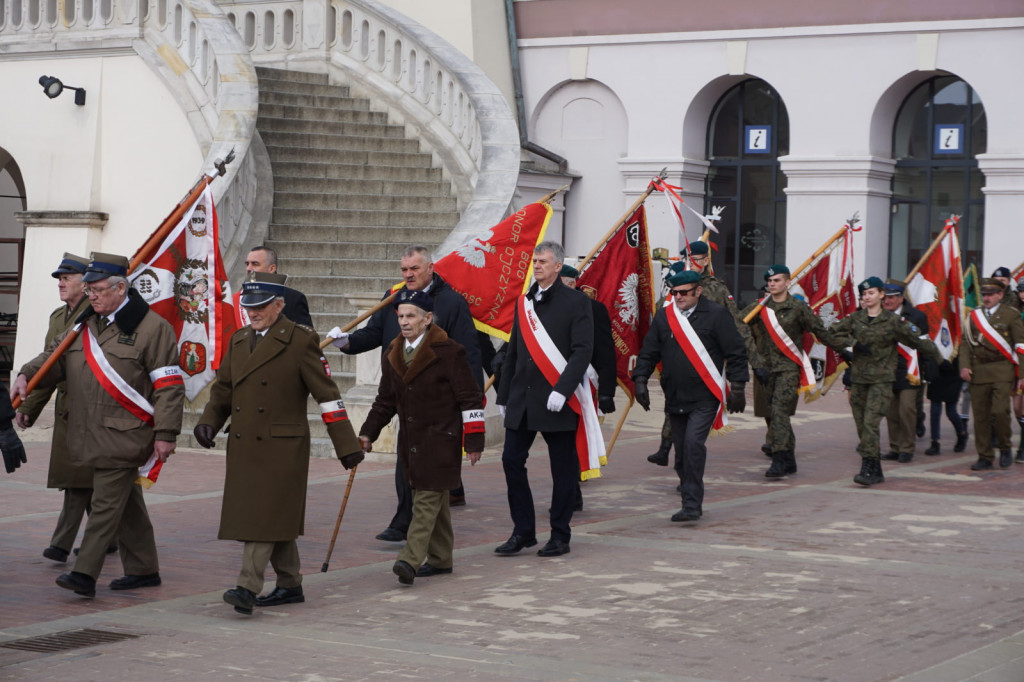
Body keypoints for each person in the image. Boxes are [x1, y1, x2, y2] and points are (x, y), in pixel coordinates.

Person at [12, 253, 185, 598]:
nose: (92, 296)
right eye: (89, 289)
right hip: (88, 431)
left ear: (122, 289)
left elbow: (169, 387)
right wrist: (25, 374)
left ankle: (84, 573)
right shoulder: (85, 323)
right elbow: (55, 359)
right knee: (128, 504)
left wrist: (166, 434)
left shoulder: (153, 329)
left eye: (99, 289)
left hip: (125, 432)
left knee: (105, 504)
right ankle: (144, 569)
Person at [193, 272, 364, 615]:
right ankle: (289, 584)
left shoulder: (301, 340)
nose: (252, 313)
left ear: (279, 305)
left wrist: (346, 445)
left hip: (282, 448)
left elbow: (327, 396)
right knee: (273, 516)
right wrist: (209, 421)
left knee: (262, 516)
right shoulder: (239, 339)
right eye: (248, 306)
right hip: (245, 445)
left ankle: (246, 586)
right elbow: (224, 389)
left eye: (260, 307)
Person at [327, 244, 482, 541]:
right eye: (404, 269)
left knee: (429, 467)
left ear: (430, 268)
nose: (408, 274)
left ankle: (418, 534)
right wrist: (346, 342)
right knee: (407, 459)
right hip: (402, 392)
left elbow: (469, 355)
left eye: (414, 269)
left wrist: (471, 404)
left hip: (439, 401)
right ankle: (409, 522)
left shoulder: (451, 303)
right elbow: (374, 334)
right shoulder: (393, 298)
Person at [358, 289, 485, 585]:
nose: (404, 321)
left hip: (441, 440)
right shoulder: (393, 351)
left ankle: (409, 559)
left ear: (427, 318)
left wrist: (474, 441)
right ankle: (441, 559)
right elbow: (384, 401)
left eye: (410, 315)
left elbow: (470, 399)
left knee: (426, 501)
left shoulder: (450, 351)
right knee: (433, 499)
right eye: (400, 315)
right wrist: (368, 433)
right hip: (411, 442)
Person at [495, 241, 594, 557]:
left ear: (557, 266)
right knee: (511, 460)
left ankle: (560, 534)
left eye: (542, 261)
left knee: (562, 470)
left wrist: (562, 390)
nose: (536, 266)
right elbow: (513, 351)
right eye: (534, 261)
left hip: (556, 399)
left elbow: (582, 352)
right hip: (523, 398)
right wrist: (503, 393)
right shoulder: (524, 302)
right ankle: (523, 530)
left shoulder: (576, 303)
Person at [16, 253, 114, 562]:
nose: (61, 282)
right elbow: (50, 364)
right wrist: (30, 405)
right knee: (85, 481)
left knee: (79, 480)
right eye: (59, 278)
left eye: (67, 278)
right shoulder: (58, 317)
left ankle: (63, 542)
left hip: (90, 407)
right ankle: (112, 537)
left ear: (84, 284)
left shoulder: (95, 315)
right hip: (66, 408)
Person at [632, 270, 748, 521]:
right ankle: (688, 497)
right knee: (682, 453)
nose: (678, 297)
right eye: (674, 293)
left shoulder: (716, 315)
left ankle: (692, 504)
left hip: (705, 397)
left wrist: (738, 387)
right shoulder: (664, 317)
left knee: (694, 445)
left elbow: (736, 352)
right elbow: (649, 351)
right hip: (675, 396)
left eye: (684, 292)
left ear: (698, 291)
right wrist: (640, 379)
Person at [647, 242, 759, 468]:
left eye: (696, 258)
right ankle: (667, 449)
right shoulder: (676, 285)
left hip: (704, 361)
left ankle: (684, 466)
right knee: (675, 407)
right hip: (676, 359)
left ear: (706, 260)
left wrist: (755, 362)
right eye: (688, 258)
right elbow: (660, 316)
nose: (691, 263)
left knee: (694, 427)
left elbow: (738, 325)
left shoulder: (716, 289)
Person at [825, 277, 942, 486]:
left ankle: (867, 467)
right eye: (864, 294)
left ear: (881, 295)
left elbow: (918, 341)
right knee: (862, 425)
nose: (867, 297)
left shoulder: (894, 321)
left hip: (882, 380)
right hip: (860, 379)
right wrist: (851, 345)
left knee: (871, 423)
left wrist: (941, 361)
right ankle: (876, 468)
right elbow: (830, 334)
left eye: (871, 293)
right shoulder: (855, 319)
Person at [742, 265, 846, 478]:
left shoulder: (798, 308)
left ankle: (779, 459)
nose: (772, 284)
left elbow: (820, 331)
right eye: (770, 281)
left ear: (788, 282)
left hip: (789, 368)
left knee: (780, 411)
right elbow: (738, 324)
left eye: (777, 280)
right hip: (766, 370)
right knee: (774, 413)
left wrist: (844, 350)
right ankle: (789, 459)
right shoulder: (759, 307)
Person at [560, 264, 617, 511]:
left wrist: (607, 390)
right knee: (559, 441)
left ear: (573, 283)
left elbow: (605, 351)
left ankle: (573, 490)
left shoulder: (594, 309)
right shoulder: (538, 304)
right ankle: (567, 487)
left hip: (582, 384)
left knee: (575, 436)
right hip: (549, 383)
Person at [959, 278, 1024, 470]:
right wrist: (964, 365)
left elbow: (1020, 345)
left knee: (1000, 412)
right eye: (984, 295)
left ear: (1000, 295)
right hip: (979, 370)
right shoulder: (974, 316)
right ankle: (985, 455)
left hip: (1002, 369)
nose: (986, 298)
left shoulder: (1011, 315)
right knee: (980, 416)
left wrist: (1022, 374)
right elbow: (965, 343)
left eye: (990, 295)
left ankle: (1004, 447)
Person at [880, 280, 932, 464]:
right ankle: (895, 447)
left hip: (910, 370)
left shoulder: (916, 316)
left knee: (907, 409)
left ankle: (907, 448)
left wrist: (929, 370)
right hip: (887, 370)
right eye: (885, 297)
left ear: (901, 298)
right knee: (891, 411)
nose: (887, 301)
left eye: (891, 297)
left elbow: (925, 344)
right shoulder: (878, 315)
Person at [242, 245, 313, 328]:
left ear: (272, 268)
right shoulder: (240, 297)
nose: (249, 268)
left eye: (255, 264)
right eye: (247, 264)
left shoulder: (293, 298)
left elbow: (305, 337)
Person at [923, 355, 967, 456]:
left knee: (951, 412)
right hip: (936, 374)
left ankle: (962, 434)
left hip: (953, 375)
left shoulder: (957, 340)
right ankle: (935, 442)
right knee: (935, 412)